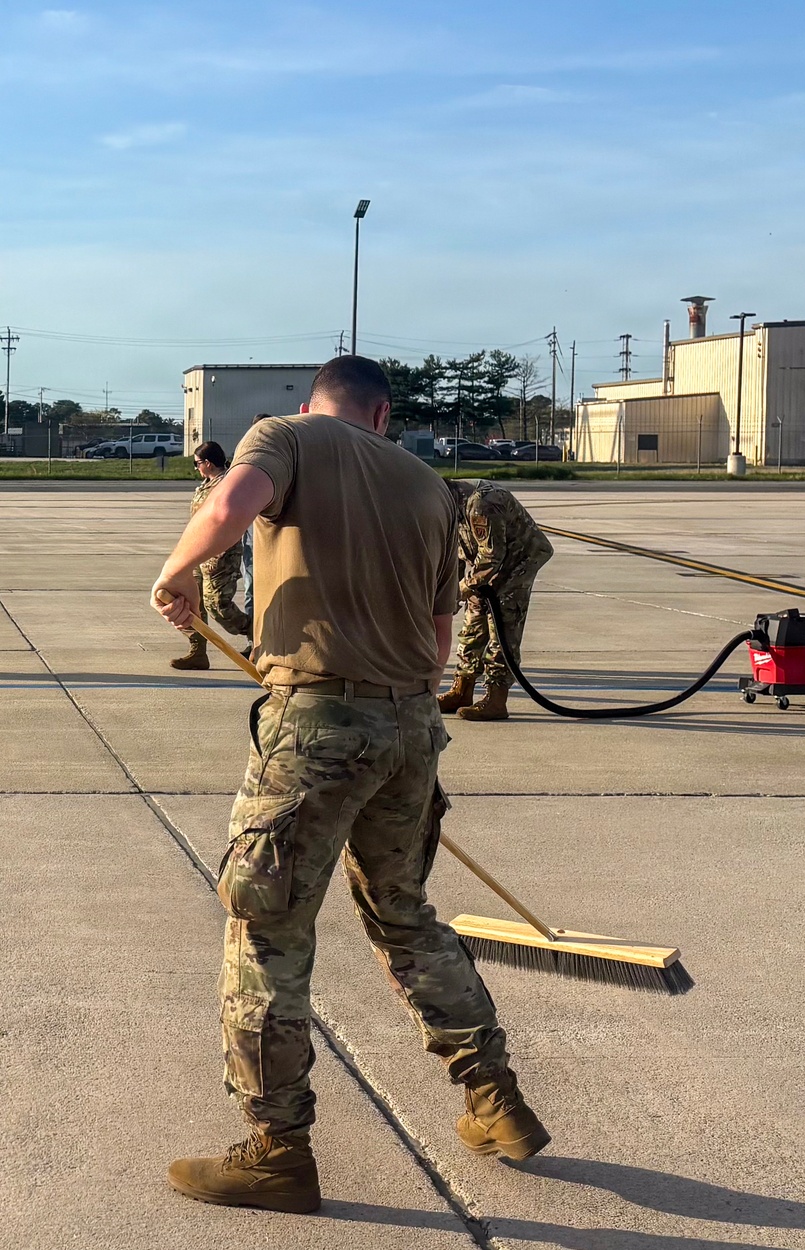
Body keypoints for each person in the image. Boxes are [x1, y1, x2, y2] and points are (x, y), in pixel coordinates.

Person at [151, 356, 548, 1215]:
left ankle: (277, 1149)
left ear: (312, 406)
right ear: (383, 415)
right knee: (405, 913)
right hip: (410, 727)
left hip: (317, 724)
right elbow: (443, 644)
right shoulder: (428, 484)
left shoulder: (285, 437)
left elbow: (230, 506)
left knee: (266, 930)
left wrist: (178, 572)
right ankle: (495, 1098)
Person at [438, 478, 553, 721]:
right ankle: (462, 689)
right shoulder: (450, 509)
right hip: (489, 565)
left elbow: (492, 556)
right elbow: (456, 554)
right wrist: (450, 595)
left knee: (501, 627)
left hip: (518, 561)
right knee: (472, 624)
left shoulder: (482, 504)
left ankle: (496, 697)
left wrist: (461, 590)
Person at [169, 442, 251, 670]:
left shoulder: (227, 484)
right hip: (198, 552)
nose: (196, 469)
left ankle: (256, 634)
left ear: (208, 463)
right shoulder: (207, 484)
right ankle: (197, 652)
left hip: (220, 554)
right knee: (192, 603)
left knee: (217, 605)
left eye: (197, 464)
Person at [240, 414, 272, 658]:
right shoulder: (246, 459)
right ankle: (255, 642)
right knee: (251, 591)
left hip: (269, 538)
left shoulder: (282, 459)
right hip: (250, 537)